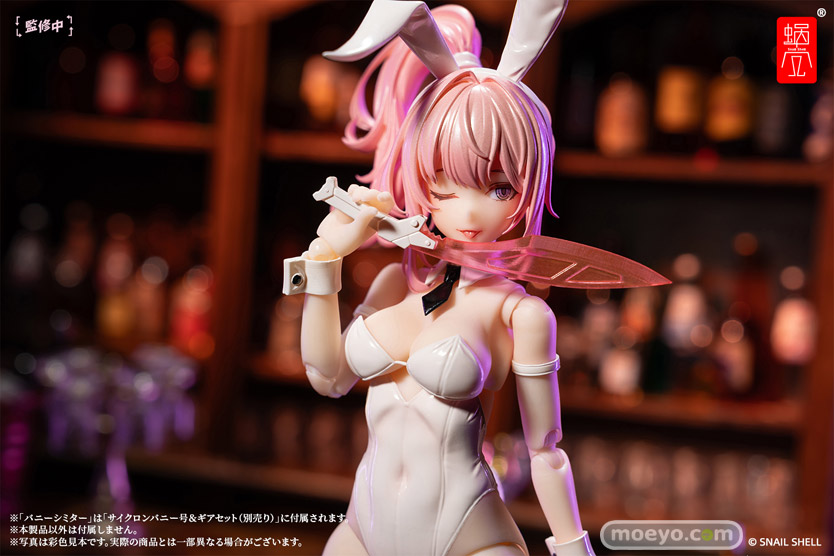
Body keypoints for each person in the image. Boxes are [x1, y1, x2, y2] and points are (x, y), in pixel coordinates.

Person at [285, 1, 595, 554]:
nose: (470, 212)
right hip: (362, 531)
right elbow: (326, 376)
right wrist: (324, 259)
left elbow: (546, 450)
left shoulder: (520, 313)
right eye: (445, 183)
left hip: (465, 535)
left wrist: (574, 548)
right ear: (419, 173)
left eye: (500, 188)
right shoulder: (392, 284)